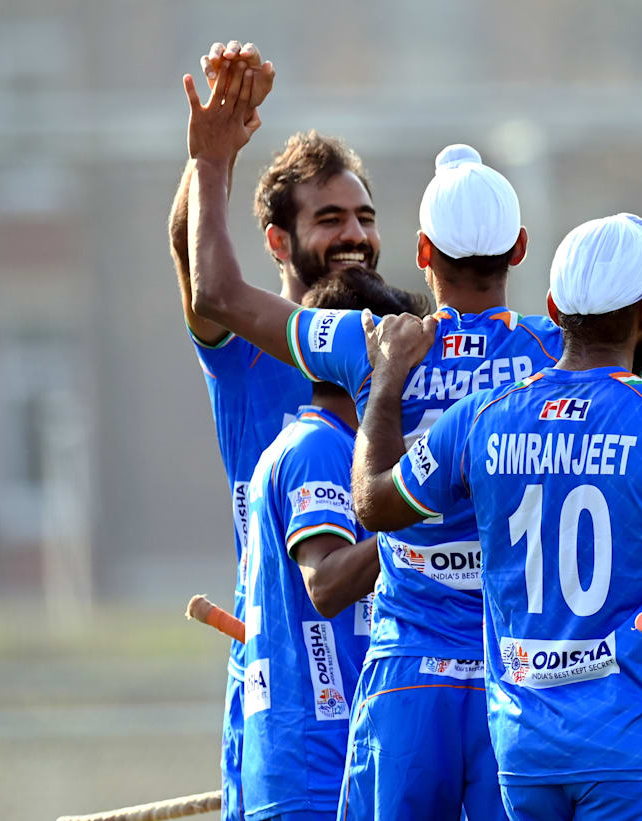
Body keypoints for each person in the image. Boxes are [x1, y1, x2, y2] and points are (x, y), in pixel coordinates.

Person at [182, 51, 642, 820]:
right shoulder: (556, 353)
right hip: (509, 699)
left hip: (408, 683)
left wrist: (210, 158)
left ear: (423, 253)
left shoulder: (373, 343)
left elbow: (218, 294)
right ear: (519, 249)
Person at [351, 213, 642, 820]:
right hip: (640, 756)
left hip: (526, 758)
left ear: (554, 309)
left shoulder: (480, 418)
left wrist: (386, 381)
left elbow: (373, 503)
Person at [166, 40, 390, 821]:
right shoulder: (243, 350)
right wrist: (214, 155)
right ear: (276, 241)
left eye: (365, 216)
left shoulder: (392, 340)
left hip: (396, 680)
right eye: (330, 219)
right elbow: (194, 259)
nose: (355, 234)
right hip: (289, 687)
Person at [239, 267, 424, 821]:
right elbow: (324, 582)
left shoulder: (327, 442)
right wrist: (421, 518)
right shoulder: (318, 447)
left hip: (321, 762)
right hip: (316, 764)